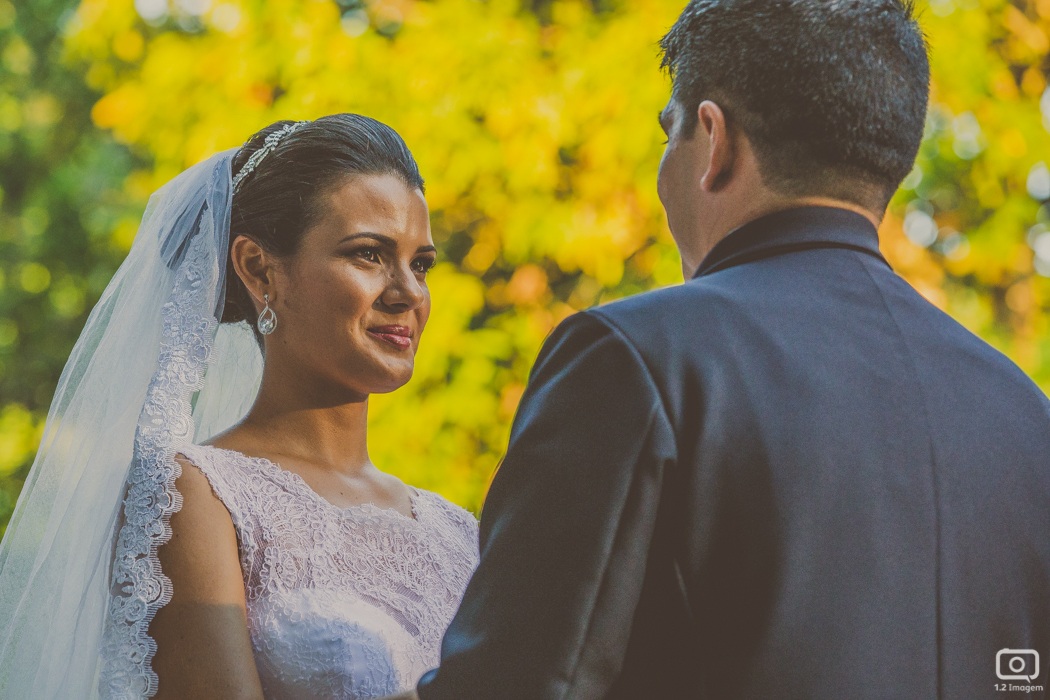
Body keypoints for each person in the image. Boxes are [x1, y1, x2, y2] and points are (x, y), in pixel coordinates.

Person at [390, 1, 1050, 699]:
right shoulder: (1023, 413)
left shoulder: (636, 360)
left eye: (669, 131)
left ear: (714, 139)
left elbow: (518, 685)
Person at [0, 115, 479, 700]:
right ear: (258, 268)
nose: (408, 293)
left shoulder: (461, 534)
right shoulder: (197, 495)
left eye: (421, 264)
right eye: (368, 255)